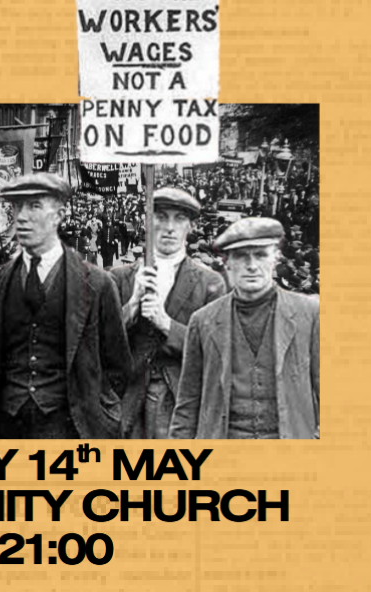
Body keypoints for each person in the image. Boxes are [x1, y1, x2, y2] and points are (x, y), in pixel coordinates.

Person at [0, 173, 131, 438]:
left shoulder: (97, 284)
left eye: (34, 206)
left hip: (70, 427)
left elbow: (118, 365)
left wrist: (102, 413)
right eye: (17, 207)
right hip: (8, 426)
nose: (22, 217)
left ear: (59, 215)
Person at [170, 217, 320, 439]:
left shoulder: (309, 314)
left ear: (275, 259)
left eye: (260, 255)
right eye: (241, 256)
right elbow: (187, 404)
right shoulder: (203, 321)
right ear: (227, 262)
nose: (251, 266)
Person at [111, 186, 227, 438]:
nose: (170, 227)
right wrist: (132, 305)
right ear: (147, 221)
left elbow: (216, 350)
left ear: (191, 226)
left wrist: (166, 325)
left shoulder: (210, 283)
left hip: (178, 404)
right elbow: (100, 342)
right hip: (125, 402)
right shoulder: (119, 278)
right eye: (161, 216)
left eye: (180, 218)